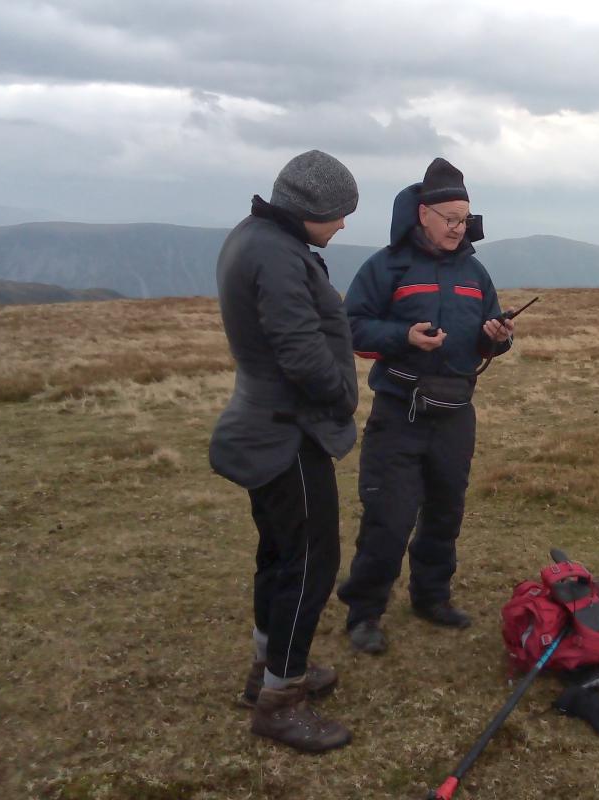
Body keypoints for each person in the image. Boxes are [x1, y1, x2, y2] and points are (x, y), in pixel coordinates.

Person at [209, 149, 360, 753]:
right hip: (287, 432)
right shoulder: (276, 254)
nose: (343, 224)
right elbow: (300, 351)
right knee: (310, 562)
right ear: (306, 208)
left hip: (266, 422)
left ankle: (265, 669)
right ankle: (281, 701)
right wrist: (341, 395)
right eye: (339, 213)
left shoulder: (256, 237)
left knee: (278, 554)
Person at [336, 157, 514, 654]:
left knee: (444, 512)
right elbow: (351, 327)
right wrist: (404, 337)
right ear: (423, 214)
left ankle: (431, 597)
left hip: (455, 413)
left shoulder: (475, 273)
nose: (459, 228)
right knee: (388, 516)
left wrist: (497, 337)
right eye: (450, 219)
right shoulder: (386, 267)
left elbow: (488, 337)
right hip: (400, 412)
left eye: (465, 219)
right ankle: (364, 611)